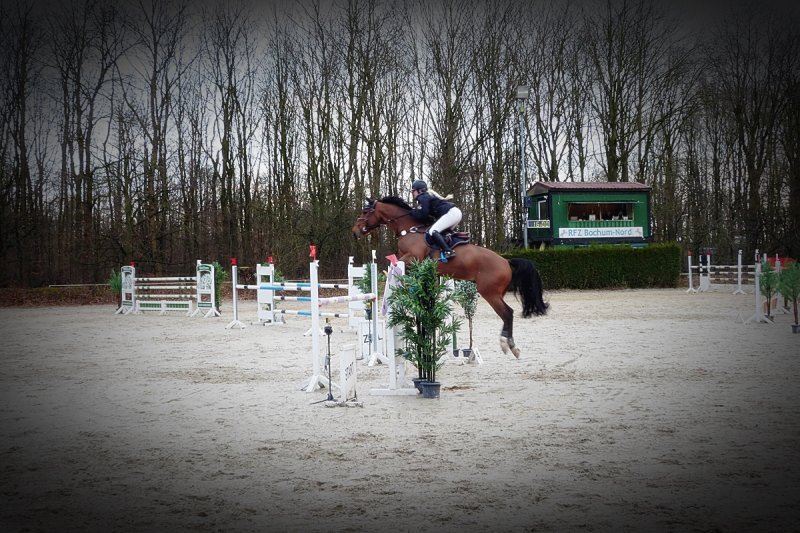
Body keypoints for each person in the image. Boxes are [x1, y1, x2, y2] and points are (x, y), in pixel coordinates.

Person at [409, 179, 462, 260]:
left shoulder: (423, 197)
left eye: (413, 191)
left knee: (433, 231)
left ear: (419, 191)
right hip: (454, 213)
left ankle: (448, 251)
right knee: (440, 232)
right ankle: (442, 251)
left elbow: (423, 214)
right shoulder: (426, 196)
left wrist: (411, 212)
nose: (412, 193)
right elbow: (428, 215)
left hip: (451, 213)